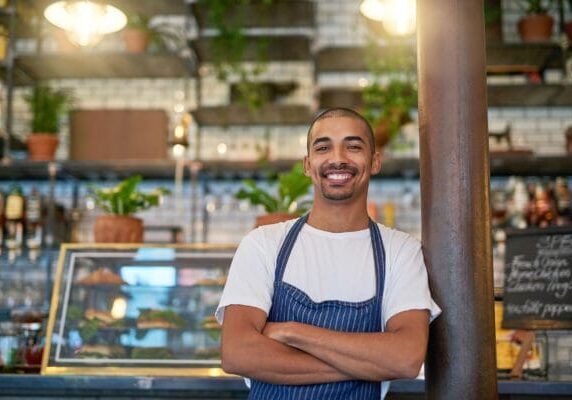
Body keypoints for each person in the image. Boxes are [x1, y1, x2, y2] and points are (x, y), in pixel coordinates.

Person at [215, 107, 441, 399]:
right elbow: (237, 353)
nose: (337, 159)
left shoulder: (400, 250)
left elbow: (406, 358)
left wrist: (292, 332)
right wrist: (368, 362)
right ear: (308, 165)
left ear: (375, 162)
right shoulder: (263, 244)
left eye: (353, 147)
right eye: (324, 148)